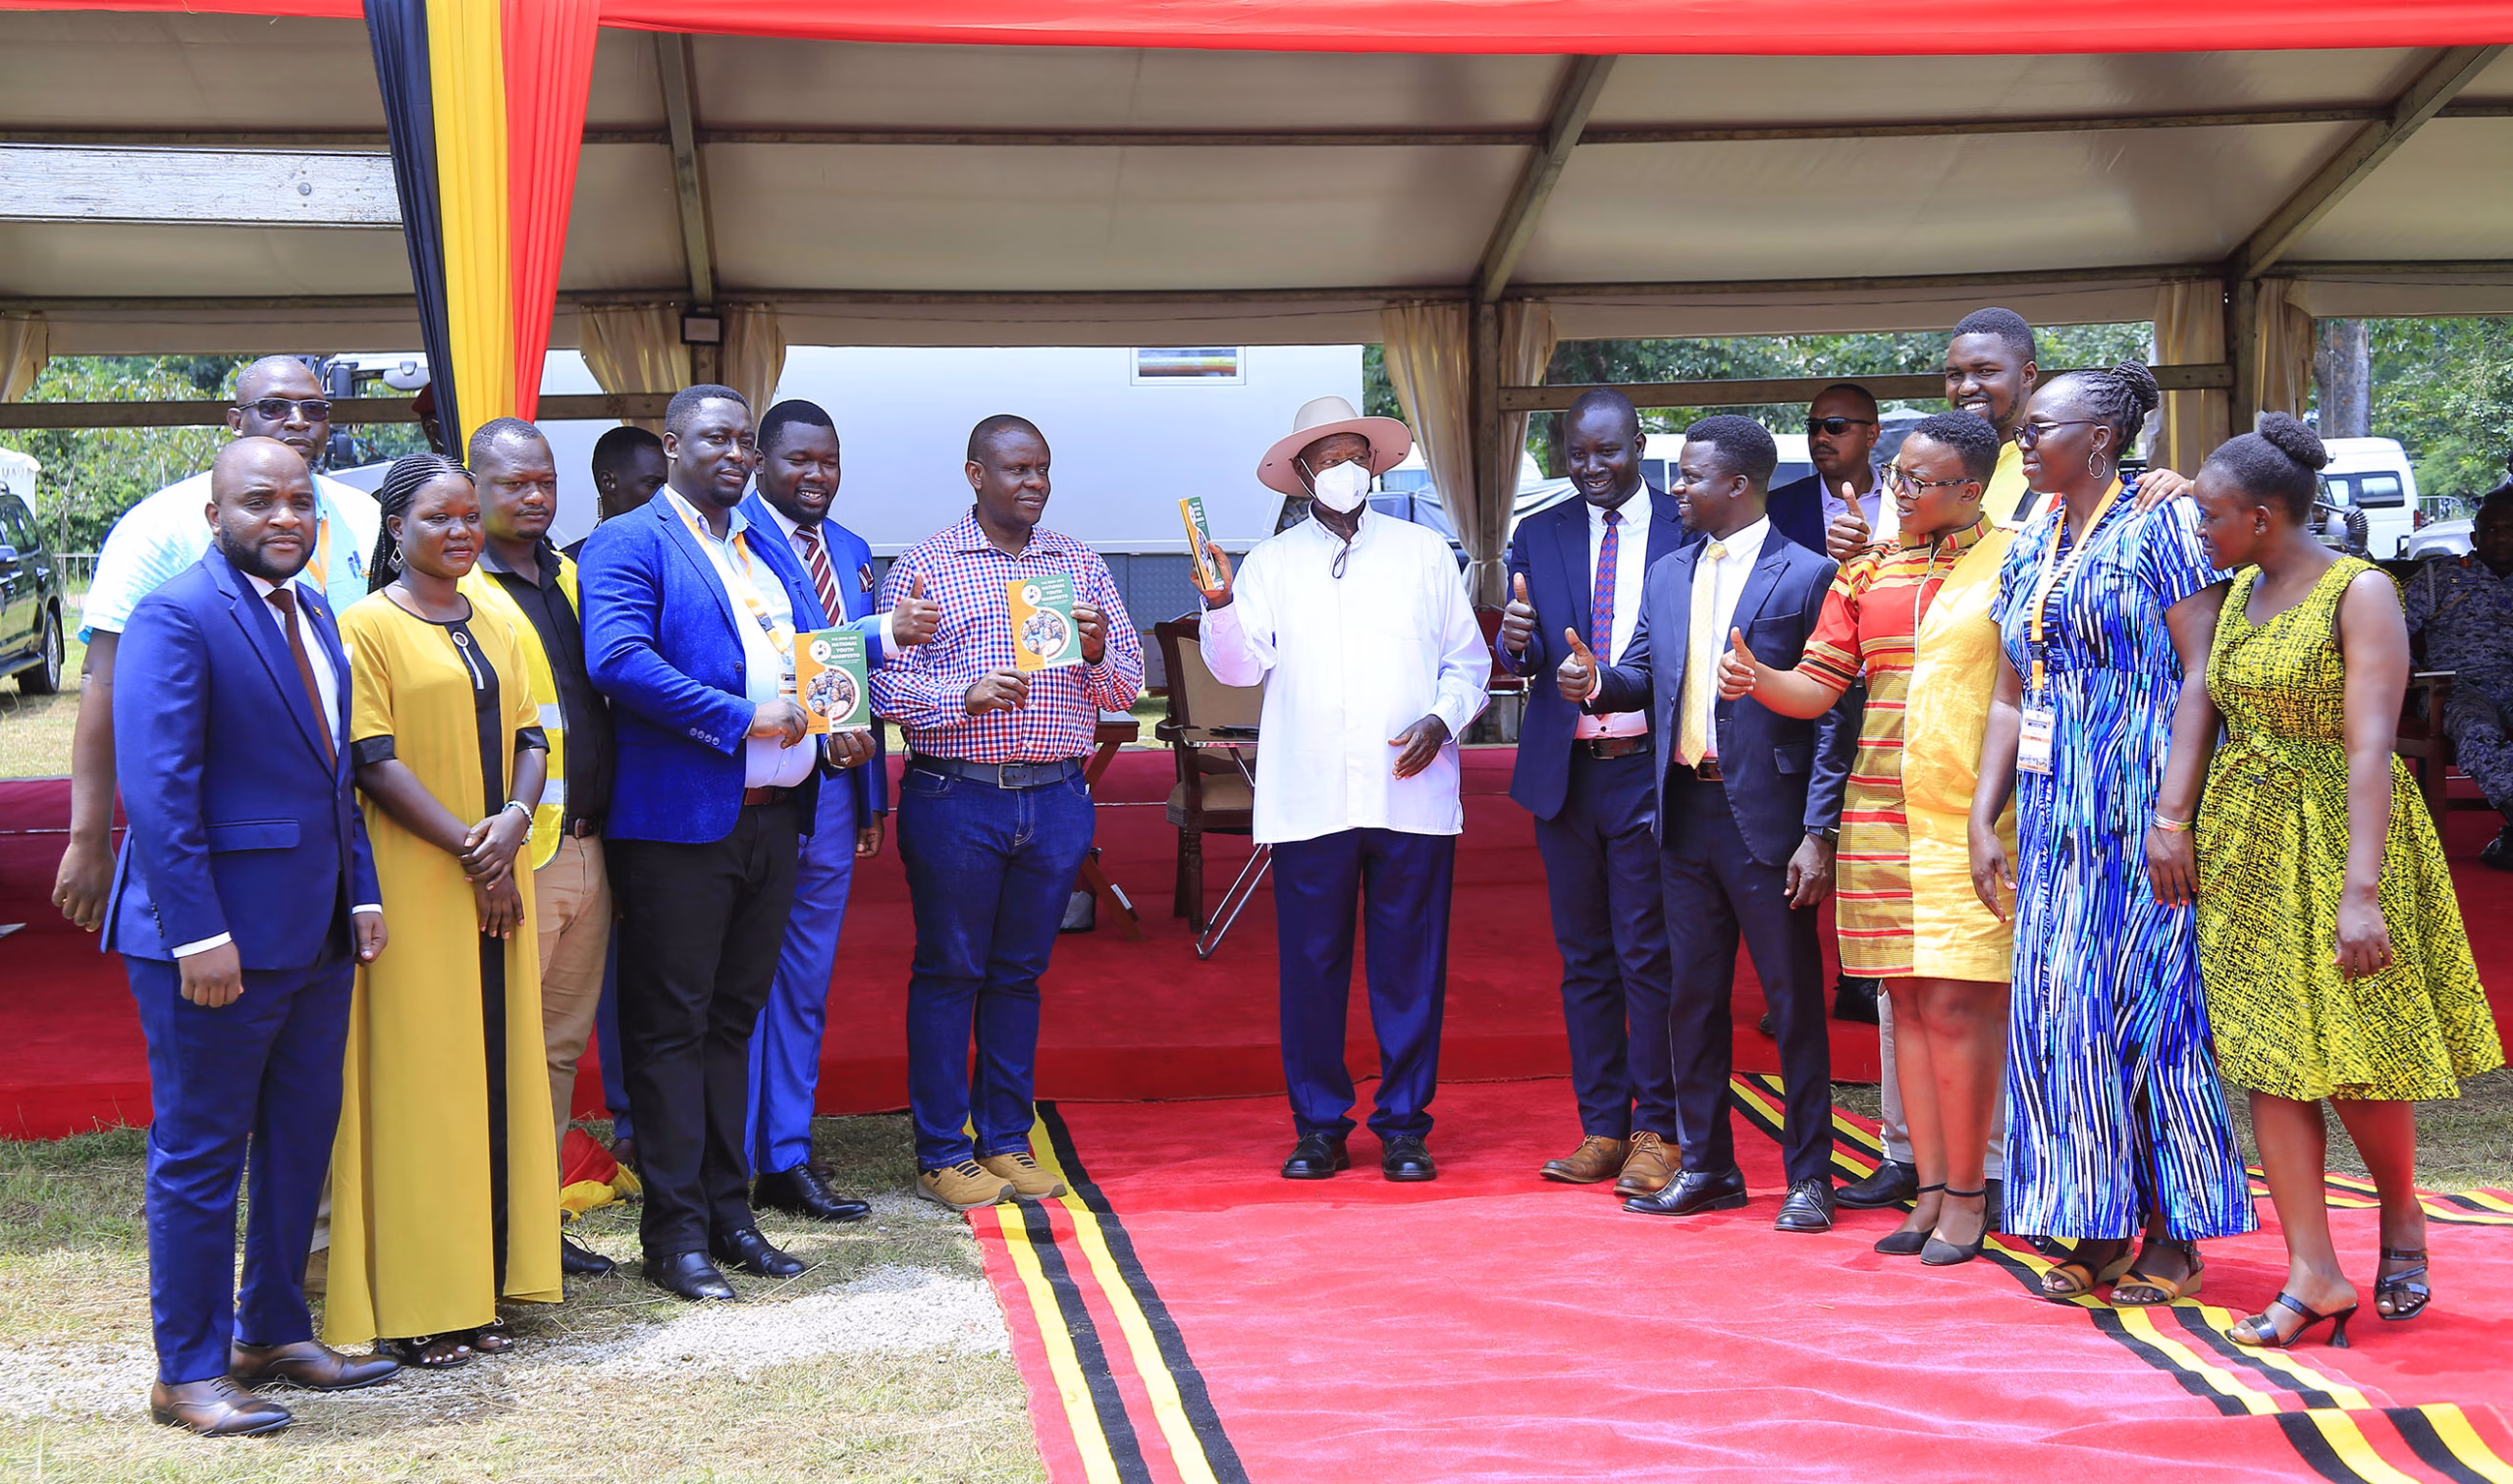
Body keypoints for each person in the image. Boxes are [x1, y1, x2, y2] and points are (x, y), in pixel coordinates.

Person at [2184, 415, 2501, 1349]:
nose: (2200, 530)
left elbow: (2371, 748)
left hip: (2343, 836)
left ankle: (2401, 1211)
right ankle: (2313, 1273)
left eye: (2210, 515)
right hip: (2247, 838)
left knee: (2358, 1050)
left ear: (2262, 514)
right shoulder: (2236, 591)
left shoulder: (2359, 591)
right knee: (2270, 1057)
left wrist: (2361, 893)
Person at [106, 439, 396, 1436]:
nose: (284, 517)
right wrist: (197, 935)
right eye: (259, 501)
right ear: (214, 515)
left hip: (316, 935)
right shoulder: (176, 614)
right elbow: (159, 792)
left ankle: (271, 1328)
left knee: (301, 1138)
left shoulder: (312, 609)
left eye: (300, 502)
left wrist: (360, 894)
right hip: (214, 942)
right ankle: (187, 1373)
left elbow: (333, 775)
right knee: (201, 1153)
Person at [1968, 361, 2256, 1305]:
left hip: (2142, 808)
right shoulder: (2034, 534)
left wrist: (2175, 815)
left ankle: (2175, 1233)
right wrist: (1984, 813)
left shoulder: (2164, 522)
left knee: (2155, 1014)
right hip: (2055, 818)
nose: (2022, 440)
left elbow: (2202, 671)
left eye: (2039, 427)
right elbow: (2011, 691)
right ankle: (2093, 1222)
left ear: (2099, 438)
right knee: (2062, 1014)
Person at [582, 385, 875, 1299]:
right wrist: (743, 717)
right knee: (672, 1029)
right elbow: (618, 661)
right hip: (681, 824)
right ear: (673, 445)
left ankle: (730, 1215)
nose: (736, 455)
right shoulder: (629, 540)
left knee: (732, 1024)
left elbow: (813, 651)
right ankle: (673, 1238)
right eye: (717, 438)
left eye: (745, 440)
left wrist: (839, 722)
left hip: (776, 816)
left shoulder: (759, 542)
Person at [1717, 412, 2017, 1263]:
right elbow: (1817, 688)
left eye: (1921, 480)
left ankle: (1971, 1192)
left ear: (1970, 489)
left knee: (1959, 1006)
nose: (1901, 491)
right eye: (1898, 476)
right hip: (1879, 809)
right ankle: (1929, 1190)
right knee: (1908, 1005)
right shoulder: (1866, 571)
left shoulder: (2015, 560)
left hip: (1974, 814)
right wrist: (1757, 678)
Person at [1197, 395, 1488, 1183]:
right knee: (1311, 969)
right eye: (1328, 460)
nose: (1344, 471)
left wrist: (1442, 719)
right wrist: (1219, 603)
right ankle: (1319, 1126)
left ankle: (1405, 1127)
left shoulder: (1424, 553)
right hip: (1311, 795)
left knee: (1410, 968)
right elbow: (1238, 668)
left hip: (1411, 793)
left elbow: (1468, 661)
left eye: (1355, 456)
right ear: (1301, 474)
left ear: (1377, 466)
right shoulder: (1270, 564)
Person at [1576, 415, 1855, 1234]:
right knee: (1690, 1001)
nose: (1676, 488)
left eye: (1691, 475)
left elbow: (1835, 712)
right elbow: (1639, 673)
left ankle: (1810, 1176)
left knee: (1792, 1004)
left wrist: (1820, 831)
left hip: (1770, 821)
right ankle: (1708, 1167)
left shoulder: (1808, 573)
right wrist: (1595, 680)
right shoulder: (1669, 573)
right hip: (1682, 811)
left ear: (1737, 484)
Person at [870, 415, 1143, 1209]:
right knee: (950, 971)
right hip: (957, 794)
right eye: (1018, 468)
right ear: (975, 474)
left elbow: (1127, 686)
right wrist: (963, 695)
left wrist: (1098, 652)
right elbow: (881, 686)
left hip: (1055, 796)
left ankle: (1005, 1141)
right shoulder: (926, 564)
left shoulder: (1077, 562)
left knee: (1019, 976)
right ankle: (942, 1152)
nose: (1035, 483)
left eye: (1043, 469)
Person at [329, 453, 561, 1365]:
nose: (461, 531)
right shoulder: (366, 627)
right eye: (439, 518)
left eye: (470, 516)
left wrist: (512, 825)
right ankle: (419, 1299)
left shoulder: (493, 615)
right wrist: (476, 850)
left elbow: (535, 735)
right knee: (424, 1083)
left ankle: (486, 1282)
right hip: (418, 879)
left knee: (495, 1074)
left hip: (500, 866)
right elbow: (372, 761)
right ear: (397, 530)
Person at [54, 355, 381, 933]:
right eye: (274, 407)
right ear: (234, 420)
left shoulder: (364, 515)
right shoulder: (158, 526)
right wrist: (88, 837)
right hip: (231, 837)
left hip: (353, 818)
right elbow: (103, 681)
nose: (297, 420)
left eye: (314, 408)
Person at [739, 398, 940, 1222]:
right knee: (741, 980)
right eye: (800, 460)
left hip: (832, 793)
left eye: (828, 461)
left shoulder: (853, 550)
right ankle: (729, 1151)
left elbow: (859, 687)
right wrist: (880, 635)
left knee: (804, 980)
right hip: (754, 791)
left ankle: (785, 1152)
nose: (817, 475)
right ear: (759, 462)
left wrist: (869, 798)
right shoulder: (732, 541)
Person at [1497, 389, 1688, 1195]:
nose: (1591, 468)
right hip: (1566, 775)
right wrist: (1516, 645)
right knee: (1584, 961)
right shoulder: (1537, 533)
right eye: (1577, 454)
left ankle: (1660, 1131)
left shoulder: (1688, 525)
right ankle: (1603, 1128)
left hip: (1652, 769)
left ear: (1639, 446)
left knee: (1649, 956)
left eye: (1607, 451)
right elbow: (1529, 651)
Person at [457, 418, 619, 1281]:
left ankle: (535, 1223)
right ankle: (481, 1232)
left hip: (589, 844)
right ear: (474, 490)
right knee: (498, 1048)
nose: (533, 497)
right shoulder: (460, 589)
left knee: (558, 1048)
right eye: (513, 483)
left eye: (545, 482)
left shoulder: (571, 575)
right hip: (519, 856)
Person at [572, 425, 671, 1169]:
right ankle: (628, 1114)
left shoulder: (683, 555)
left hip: (662, 787)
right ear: (609, 485)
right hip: (590, 795)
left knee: (660, 958)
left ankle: (665, 1110)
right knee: (607, 967)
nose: (664, 498)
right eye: (649, 485)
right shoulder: (568, 567)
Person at [2403, 491, 2513, 867]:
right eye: (2492, 529)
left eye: (2510, 529)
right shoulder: (2440, 576)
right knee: (2477, 728)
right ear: (2474, 537)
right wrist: (2410, 671)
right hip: (2454, 686)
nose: (2502, 537)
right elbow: (2388, 630)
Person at [1768, 382, 1885, 557]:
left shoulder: (1905, 499)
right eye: (1814, 427)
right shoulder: (1774, 508)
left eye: (1835, 426)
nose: (1821, 437)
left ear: (1871, 434)